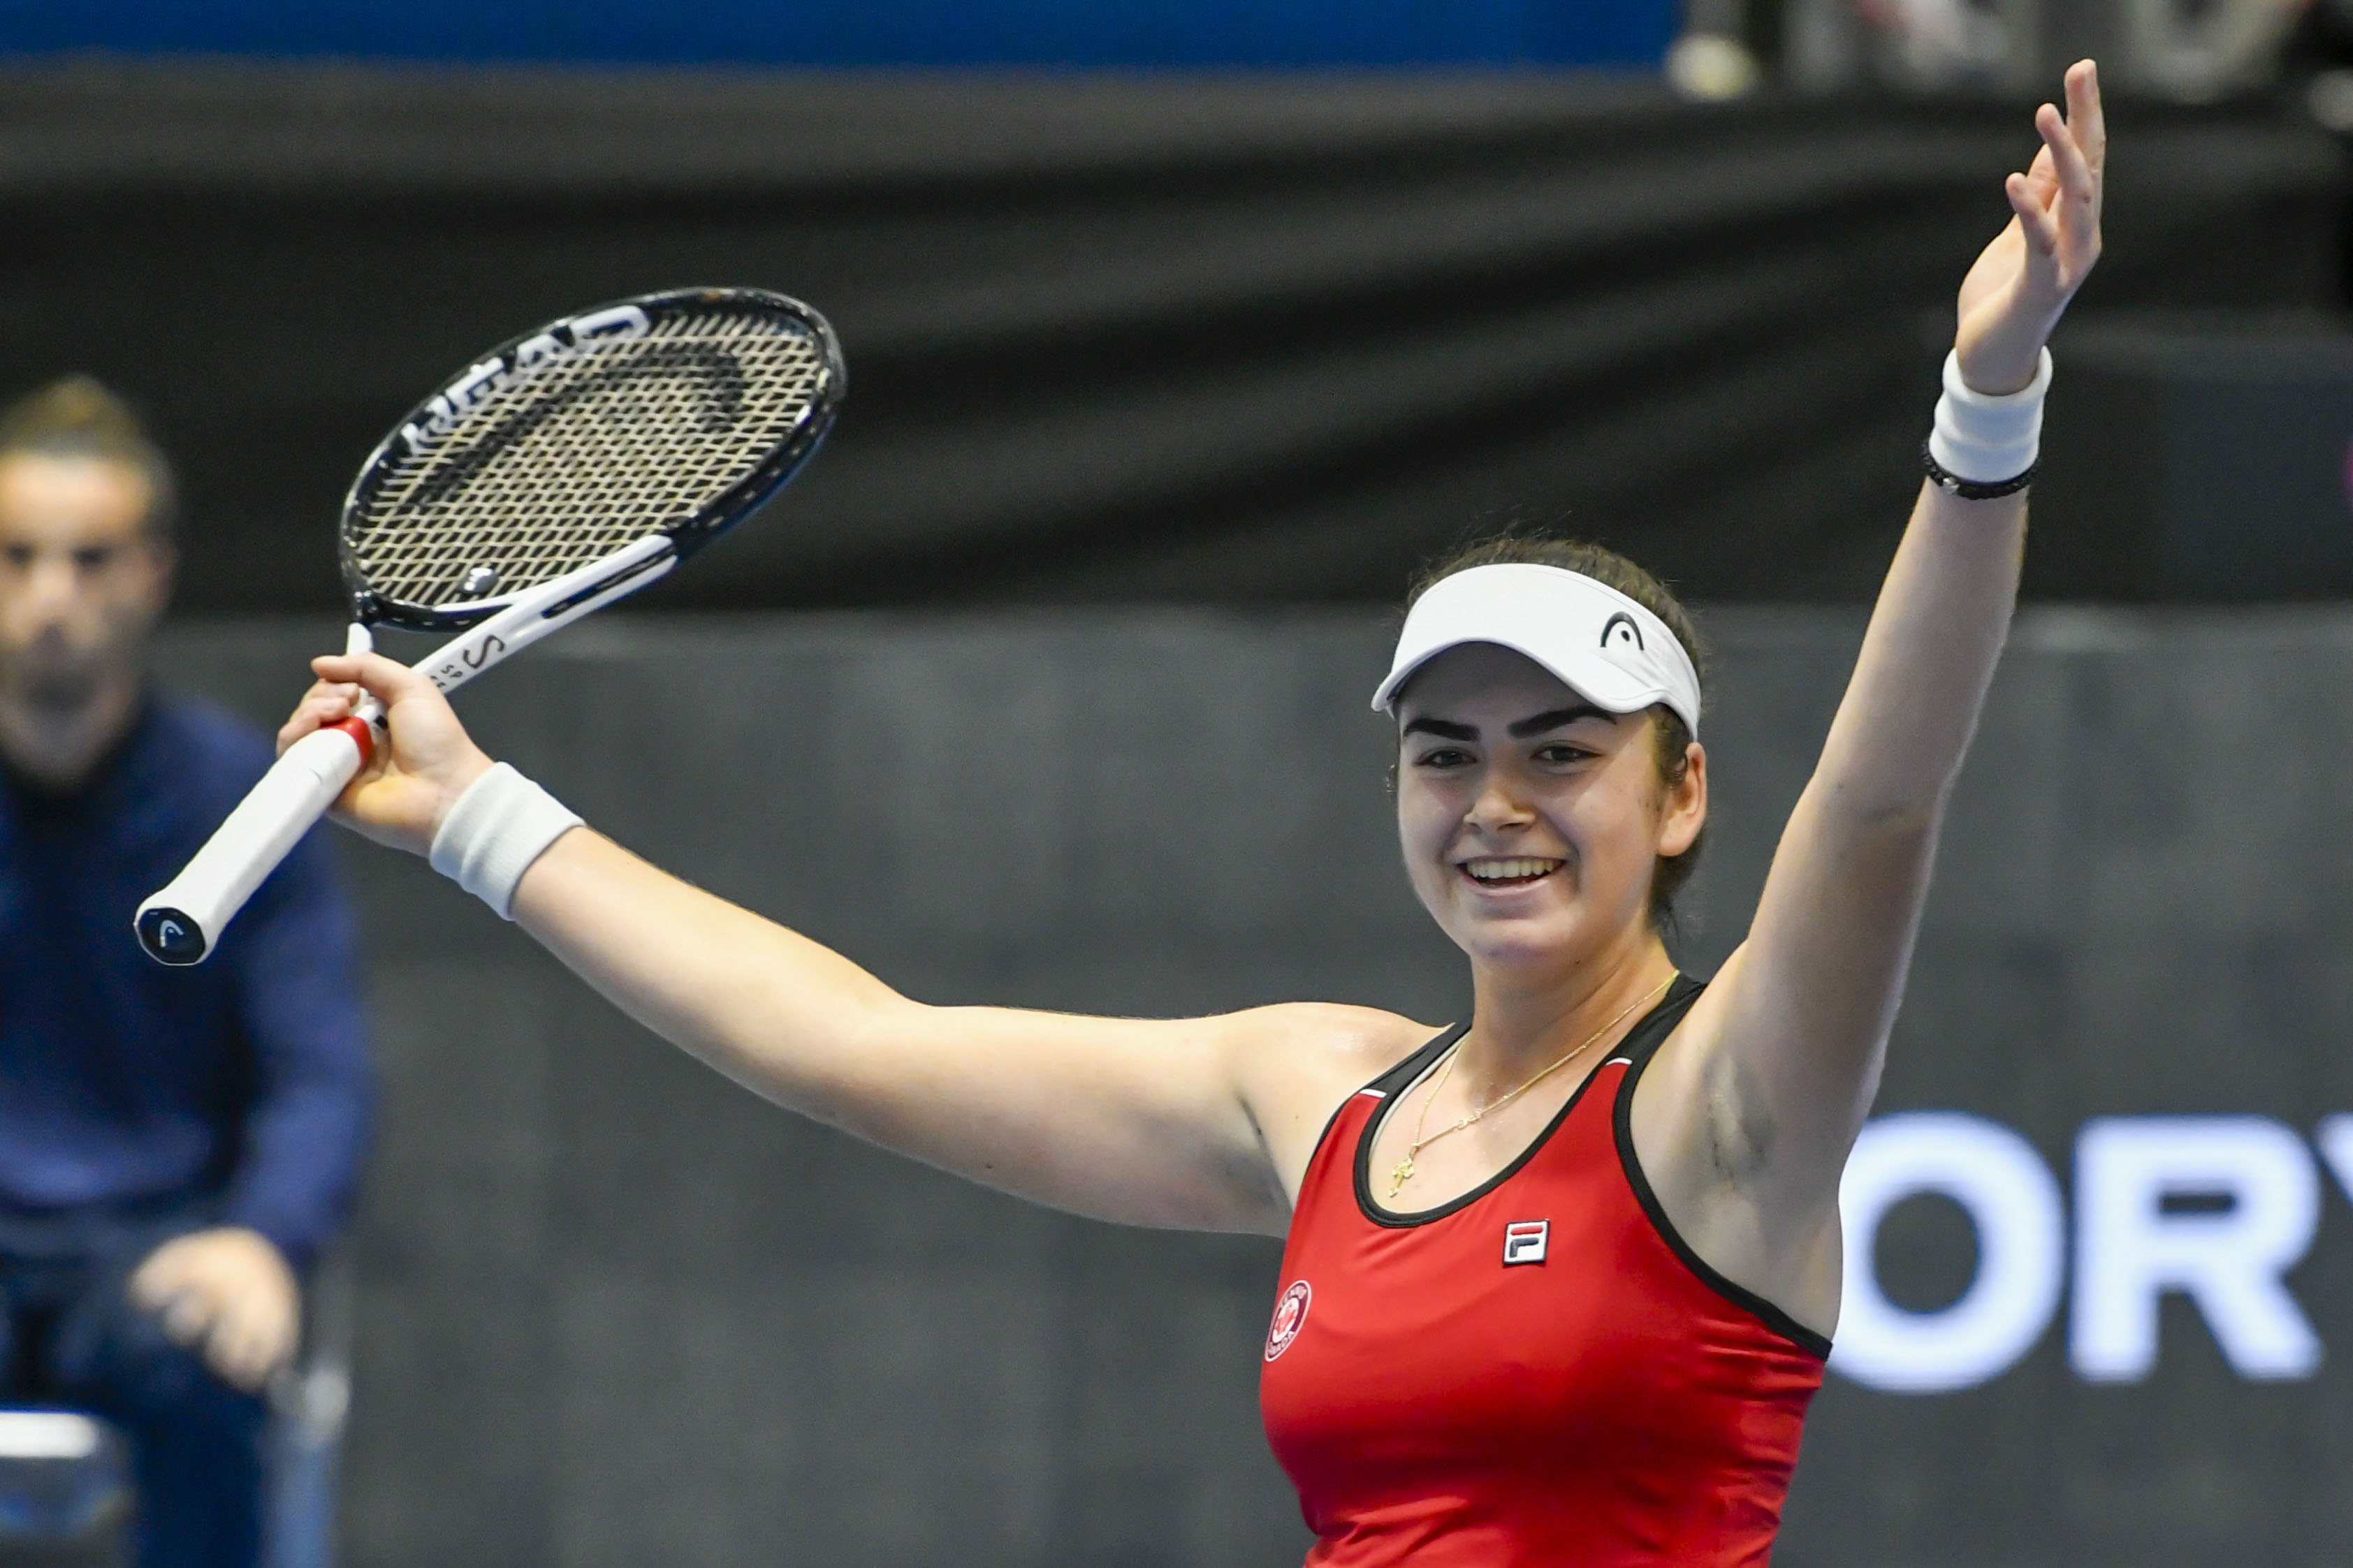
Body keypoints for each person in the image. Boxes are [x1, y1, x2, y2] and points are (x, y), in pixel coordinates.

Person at [282, 64, 2105, 1564]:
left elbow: (1880, 797)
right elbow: (853, 1042)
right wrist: (472, 810)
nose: (1495, 803)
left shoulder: (1732, 1104)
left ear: (1680, 790)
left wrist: (1989, 398)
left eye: (1560, 752)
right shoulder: (1320, 1094)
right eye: (1445, 753)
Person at [0, 378, 372, 1568]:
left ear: (152, 572)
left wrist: (264, 1239)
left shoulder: (242, 807)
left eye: (90, 558)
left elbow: (320, 1074)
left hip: (152, 1253)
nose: (51, 594)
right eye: (17, 555)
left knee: (213, 1354)